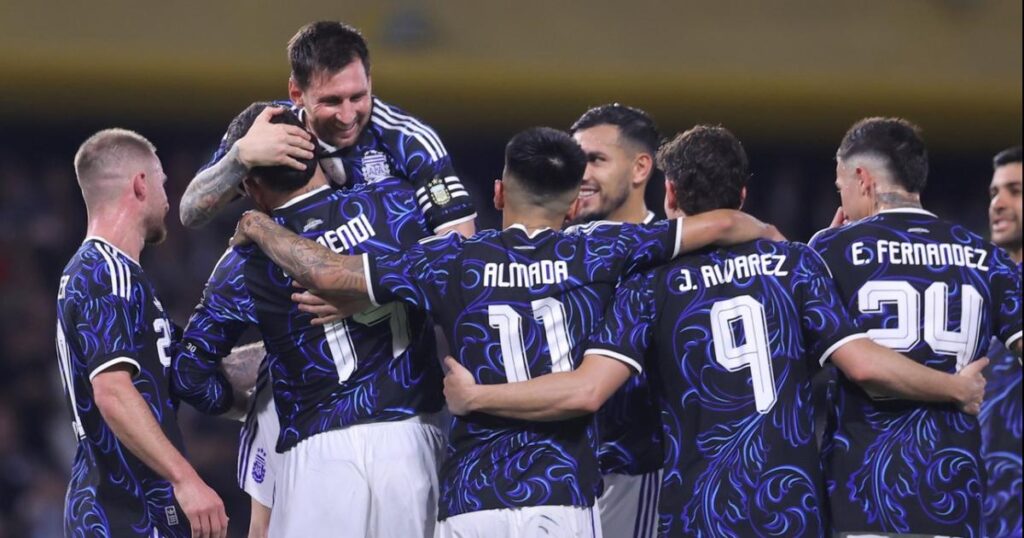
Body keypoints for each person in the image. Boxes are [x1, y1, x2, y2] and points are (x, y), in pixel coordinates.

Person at [440, 124, 990, 537]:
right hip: (790, 507)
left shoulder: (648, 285)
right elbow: (863, 363)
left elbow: (587, 389)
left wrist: (477, 396)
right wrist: (955, 387)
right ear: (744, 196)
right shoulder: (797, 265)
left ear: (670, 195)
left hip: (697, 507)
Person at [230, 126, 782, 536]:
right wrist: (773, 238)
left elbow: (325, 272)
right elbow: (725, 223)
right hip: (562, 496)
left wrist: (258, 225)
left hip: (473, 501)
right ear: (573, 206)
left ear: (498, 193)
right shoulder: (602, 248)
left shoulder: (453, 260)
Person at [172, 103, 445, 538]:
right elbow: (450, 276)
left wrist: (249, 397)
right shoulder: (393, 204)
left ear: (249, 186)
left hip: (319, 455)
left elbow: (189, 375)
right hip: (412, 442)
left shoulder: (244, 259)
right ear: (316, 153)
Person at [810, 118, 1022, 536]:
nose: (843, 200)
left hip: (863, 494)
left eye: (840, 187)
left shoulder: (832, 250)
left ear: (862, 179)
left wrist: (821, 255)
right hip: (953, 494)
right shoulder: (988, 258)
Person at [55, 129, 228, 537]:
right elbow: (112, 390)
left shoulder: (122, 277)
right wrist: (186, 478)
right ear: (140, 185)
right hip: (120, 508)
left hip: (134, 505)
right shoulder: (105, 271)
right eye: (163, 184)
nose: (169, 200)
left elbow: (179, 370)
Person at [179, 21, 476, 238]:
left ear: (370, 82)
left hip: (392, 297)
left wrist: (362, 285)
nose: (347, 116)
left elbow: (459, 247)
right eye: (331, 101)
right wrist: (239, 158)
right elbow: (190, 213)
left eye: (358, 97)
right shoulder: (270, 128)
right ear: (297, 93)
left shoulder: (407, 140)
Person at [570, 103, 664, 537]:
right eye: (576, 161)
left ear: (640, 167)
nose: (582, 174)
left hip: (633, 469)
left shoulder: (672, 255)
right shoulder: (557, 248)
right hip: (560, 471)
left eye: (596, 160)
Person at [979, 145, 1022, 537]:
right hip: (981, 508)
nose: (999, 203)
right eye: (995, 192)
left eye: (1016, 191)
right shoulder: (980, 288)